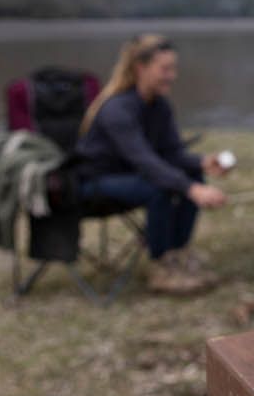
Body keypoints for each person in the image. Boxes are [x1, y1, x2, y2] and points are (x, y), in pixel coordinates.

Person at [73, 34, 228, 293]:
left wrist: (202, 162)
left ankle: (177, 254)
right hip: (93, 183)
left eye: (173, 68)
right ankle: (161, 265)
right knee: (162, 187)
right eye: (165, 69)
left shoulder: (160, 106)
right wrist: (192, 190)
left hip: (132, 177)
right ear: (140, 68)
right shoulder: (117, 109)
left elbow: (171, 154)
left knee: (188, 175)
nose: (172, 76)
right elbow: (144, 160)